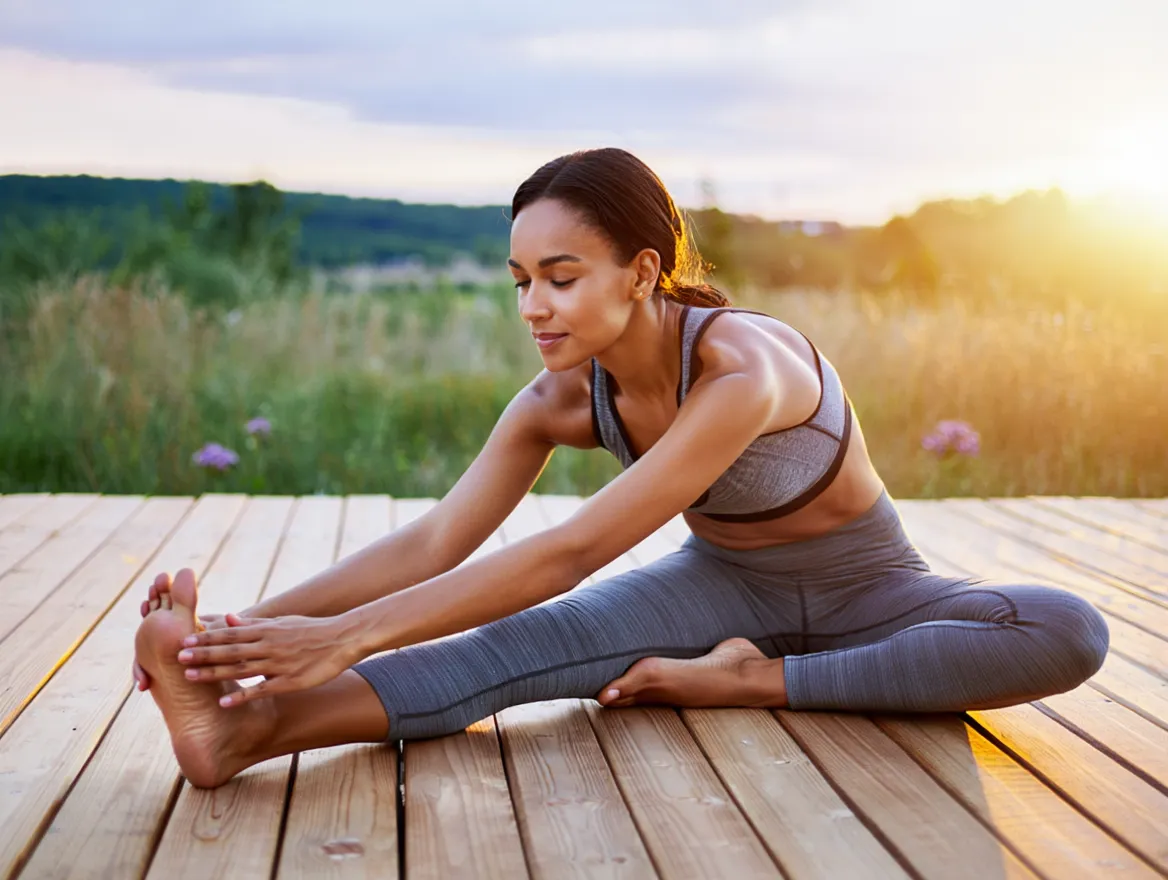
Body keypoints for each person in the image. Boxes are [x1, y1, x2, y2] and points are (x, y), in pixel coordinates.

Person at [132, 147, 1110, 789]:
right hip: (714, 587)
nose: (534, 307)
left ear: (642, 272)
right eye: (521, 282)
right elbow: (435, 539)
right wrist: (239, 638)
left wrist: (345, 634)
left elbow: (573, 548)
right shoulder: (561, 399)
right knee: (506, 654)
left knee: (1066, 630)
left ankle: (753, 680)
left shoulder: (742, 369)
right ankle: (248, 729)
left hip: (873, 592)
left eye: (561, 278)